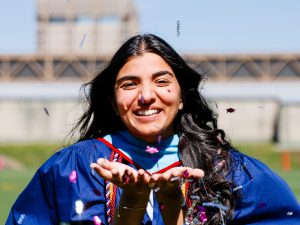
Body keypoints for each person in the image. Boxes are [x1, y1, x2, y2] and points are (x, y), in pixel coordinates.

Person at [5, 34, 300, 225]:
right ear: (112, 99)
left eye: (161, 82)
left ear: (182, 96)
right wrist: (131, 204)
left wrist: (175, 208)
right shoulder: (71, 168)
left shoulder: (231, 171)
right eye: (130, 84)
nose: (146, 96)